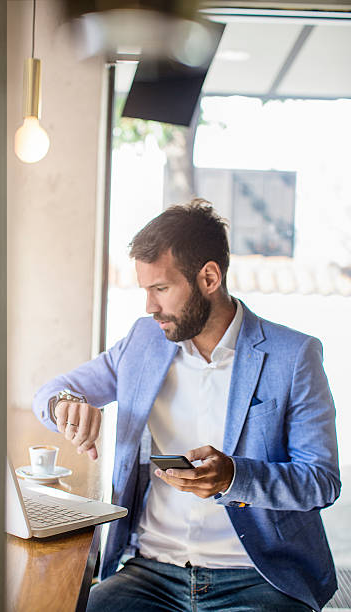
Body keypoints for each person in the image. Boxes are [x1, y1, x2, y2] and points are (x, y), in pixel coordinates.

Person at [33, 199, 340, 612]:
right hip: (151, 573)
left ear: (209, 277)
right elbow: (53, 391)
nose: (150, 307)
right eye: (146, 290)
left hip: (257, 579)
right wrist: (66, 405)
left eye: (161, 289)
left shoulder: (293, 356)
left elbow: (321, 481)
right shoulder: (144, 342)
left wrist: (235, 476)